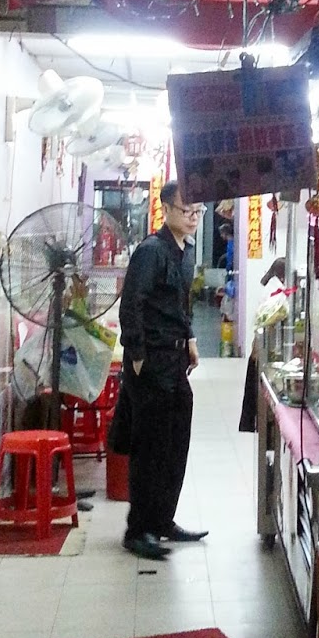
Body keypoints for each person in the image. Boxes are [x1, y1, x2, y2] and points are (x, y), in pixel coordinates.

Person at [116, 183, 209, 560]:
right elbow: (131, 304)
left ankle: (162, 520)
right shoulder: (150, 252)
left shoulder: (185, 254)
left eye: (197, 211)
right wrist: (136, 355)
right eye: (186, 209)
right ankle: (138, 530)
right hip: (150, 361)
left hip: (175, 362)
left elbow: (180, 306)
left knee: (175, 444)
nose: (192, 216)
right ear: (166, 208)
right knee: (150, 448)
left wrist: (189, 340)